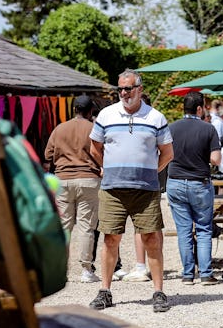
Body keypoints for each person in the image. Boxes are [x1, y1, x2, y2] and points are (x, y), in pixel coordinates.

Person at [88, 69, 174, 312]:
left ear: (140, 89)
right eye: (120, 89)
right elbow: (95, 148)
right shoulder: (106, 115)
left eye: (128, 88)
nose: (123, 93)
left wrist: (150, 171)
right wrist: (107, 168)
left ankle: (158, 292)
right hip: (113, 189)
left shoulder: (156, 117)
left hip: (145, 190)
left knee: (152, 240)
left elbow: (168, 153)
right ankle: (105, 291)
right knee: (110, 238)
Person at [44, 94, 102, 283]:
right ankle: (86, 270)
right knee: (86, 226)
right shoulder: (93, 128)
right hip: (89, 180)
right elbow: (103, 151)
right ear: (90, 111)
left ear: (74, 109)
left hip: (63, 180)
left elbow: (48, 155)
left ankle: (61, 269)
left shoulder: (60, 128)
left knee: (64, 226)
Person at [167, 92, 221, 285]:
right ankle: (205, 274)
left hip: (175, 181)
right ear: (199, 109)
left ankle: (188, 274)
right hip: (199, 182)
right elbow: (215, 159)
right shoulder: (208, 129)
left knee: (183, 231)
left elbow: (163, 153)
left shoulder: (171, 128)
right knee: (204, 229)